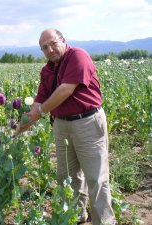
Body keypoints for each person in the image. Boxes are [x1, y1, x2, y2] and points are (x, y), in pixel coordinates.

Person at [14, 28, 116, 225]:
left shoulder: (78, 56)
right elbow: (39, 102)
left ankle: (104, 221)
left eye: (53, 43)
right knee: (67, 176)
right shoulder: (47, 71)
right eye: (45, 47)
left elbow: (66, 90)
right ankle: (75, 217)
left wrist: (40, 111)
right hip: (61, 125)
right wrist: (20, 127)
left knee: (96, 177)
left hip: (87, 122)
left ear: (63, 40)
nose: (50, 50)